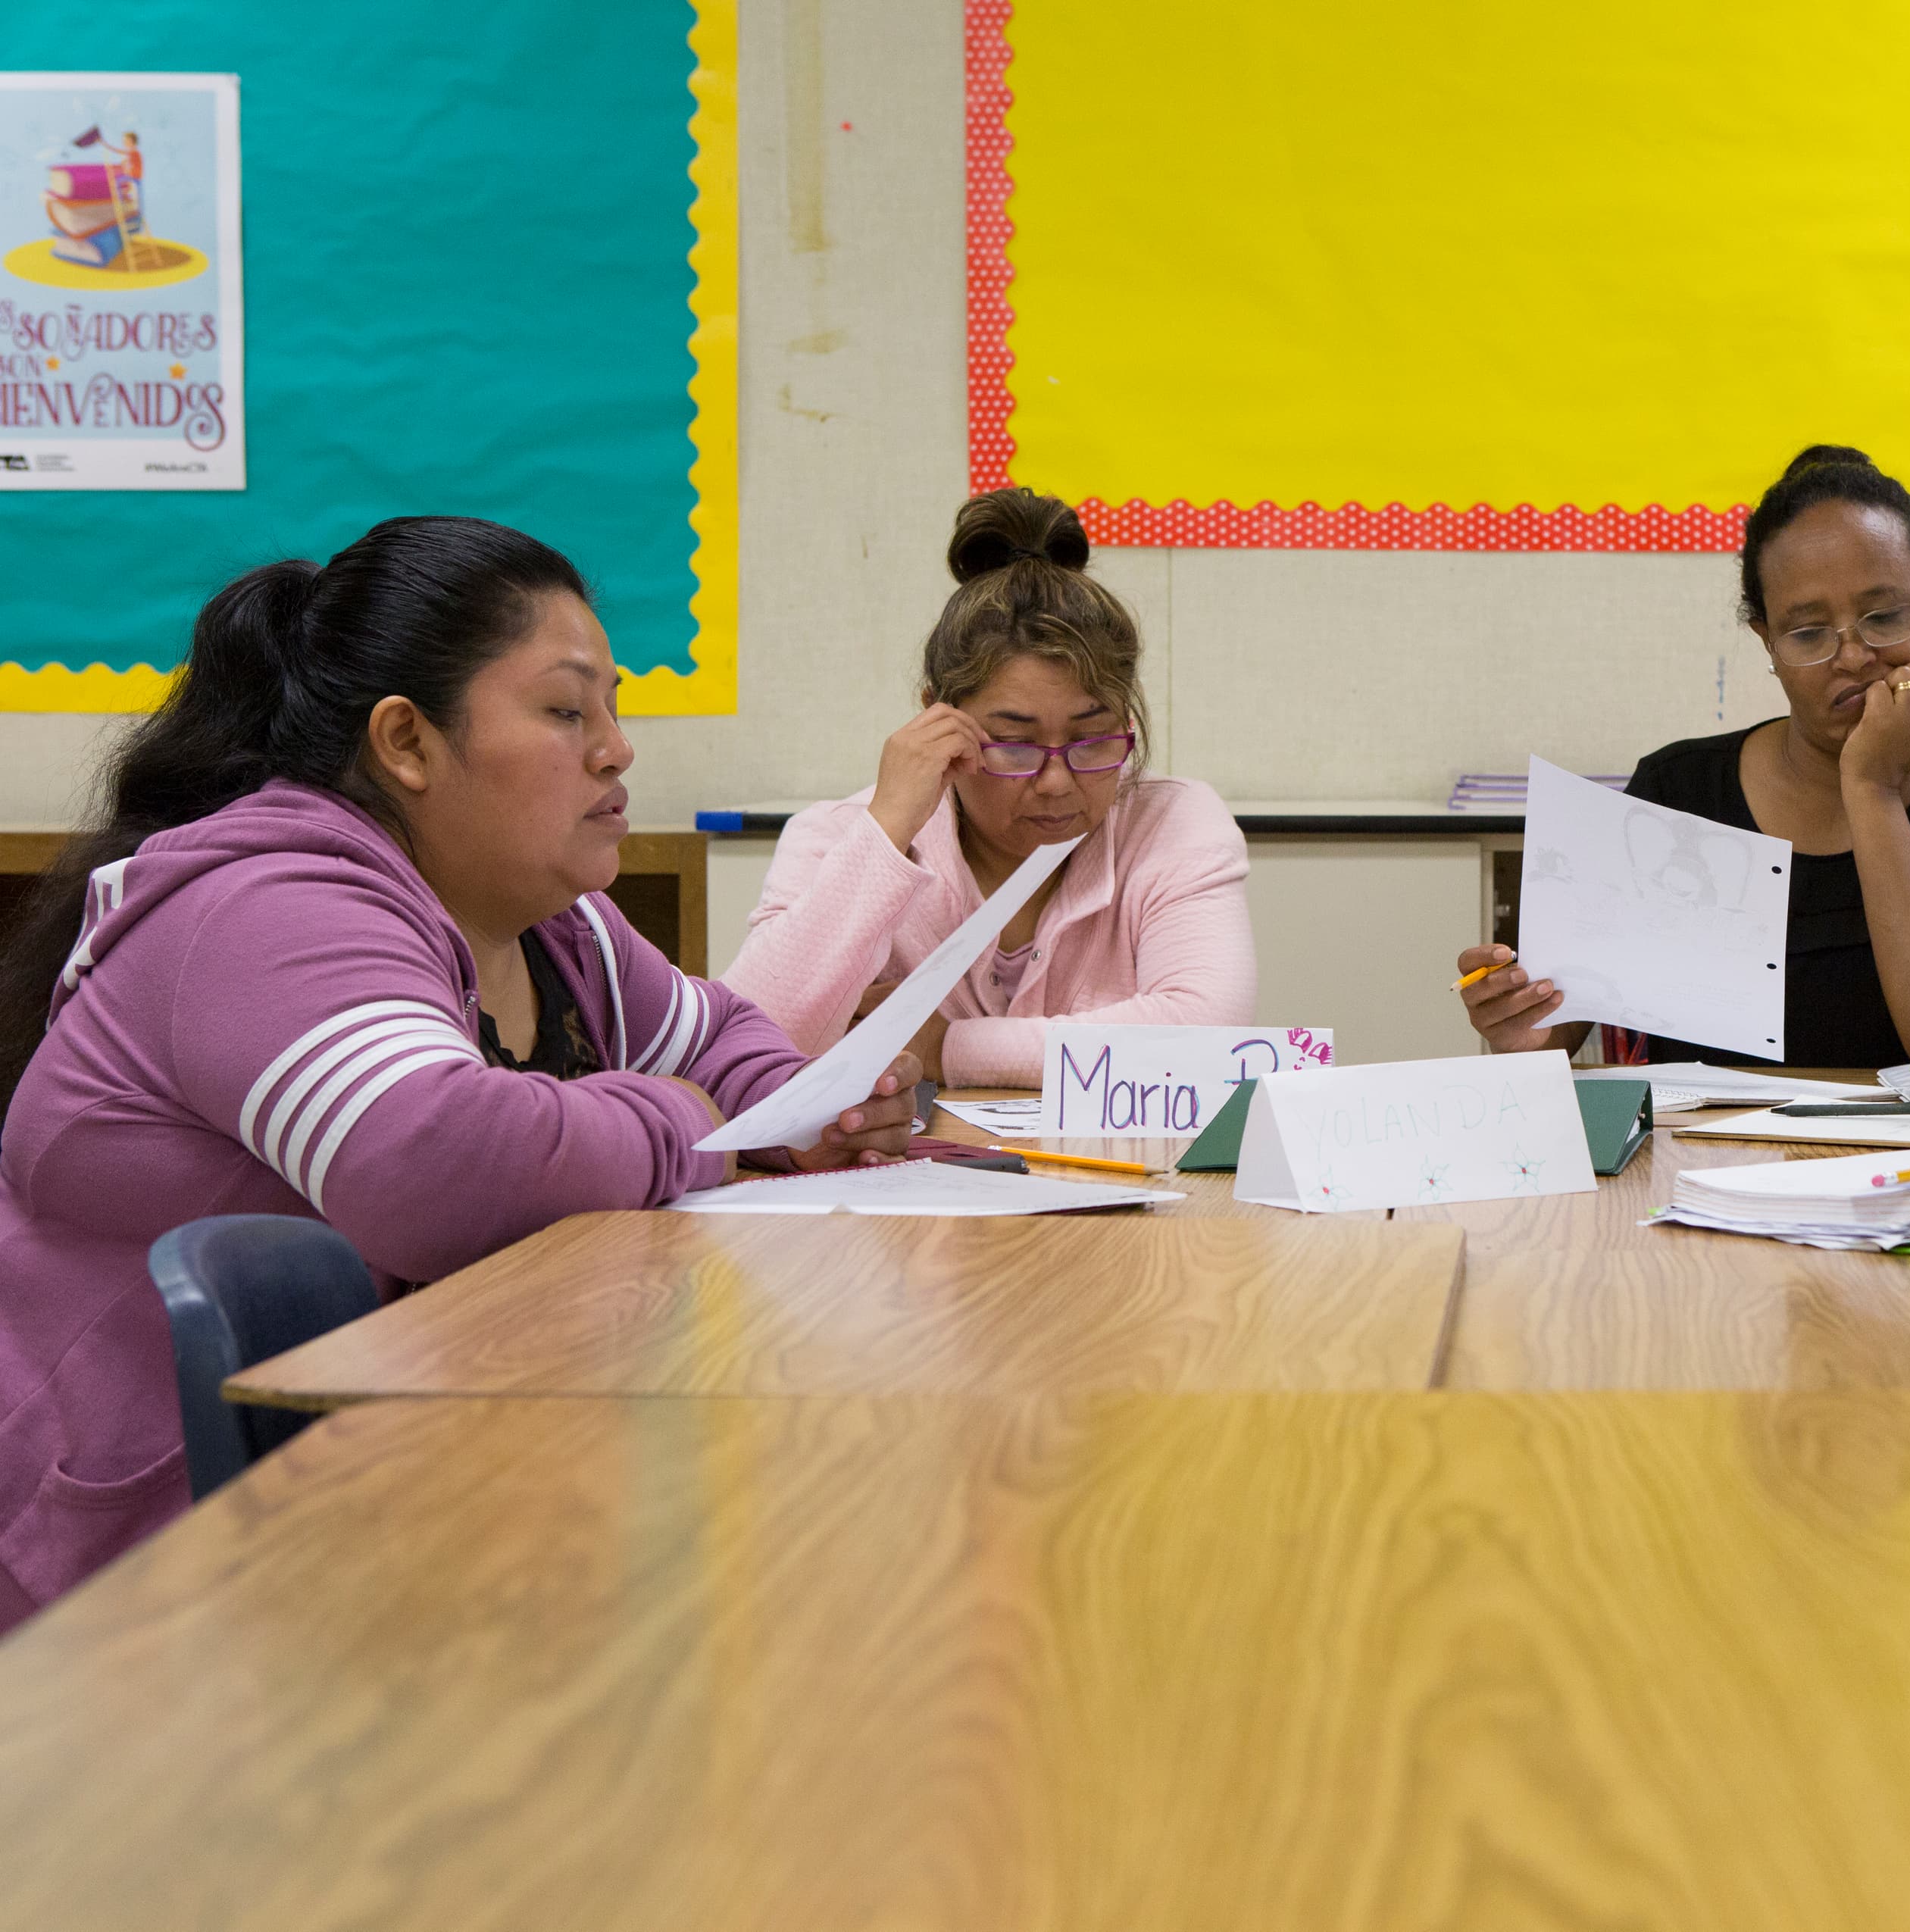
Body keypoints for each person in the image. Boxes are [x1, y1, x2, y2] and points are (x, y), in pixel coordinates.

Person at [0, 517, 920, 1630]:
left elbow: (718, 1036)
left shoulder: (550, 922)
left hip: (384, 1490)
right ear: (407, 741)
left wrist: (805, 1108)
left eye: (615, 706)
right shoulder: (267, 905)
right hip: (142, 1584)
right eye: (566, 710)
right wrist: (684, 1120)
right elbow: (435, 1162)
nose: (618, 747)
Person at [1455, 444, 1910, 1068]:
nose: (1852, 656)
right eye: (1807, 633)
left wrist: (1872, 787)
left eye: (1882, 617)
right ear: (1767, 641)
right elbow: (1561, 1025)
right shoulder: (1676, 789)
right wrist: (1523, 1027)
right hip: (1701, 1157)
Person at [725, 487, 1253, 1086]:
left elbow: (1214, 1034)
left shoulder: (1173, 823)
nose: (1056, 783)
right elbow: (750, 1041)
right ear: (938, 717)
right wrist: (886, 831)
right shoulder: (837, 836)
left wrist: (946, 1047)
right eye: (1015, 745)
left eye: (1093, 740)